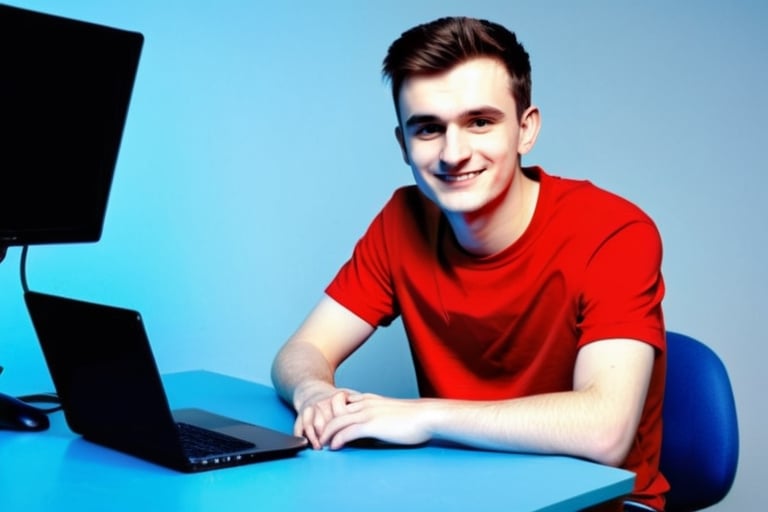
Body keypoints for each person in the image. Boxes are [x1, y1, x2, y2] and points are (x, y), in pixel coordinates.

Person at [271, 16, 668, 512]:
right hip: (464, 491)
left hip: (600, 505)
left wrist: (423, 417)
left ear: (526, 130)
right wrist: (312, 391)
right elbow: (301, 349)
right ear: (403, 145)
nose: (453, 153)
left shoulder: (614, 232)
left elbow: (606, 429)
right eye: (429, 129)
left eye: (479, 122)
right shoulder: (402, 220)